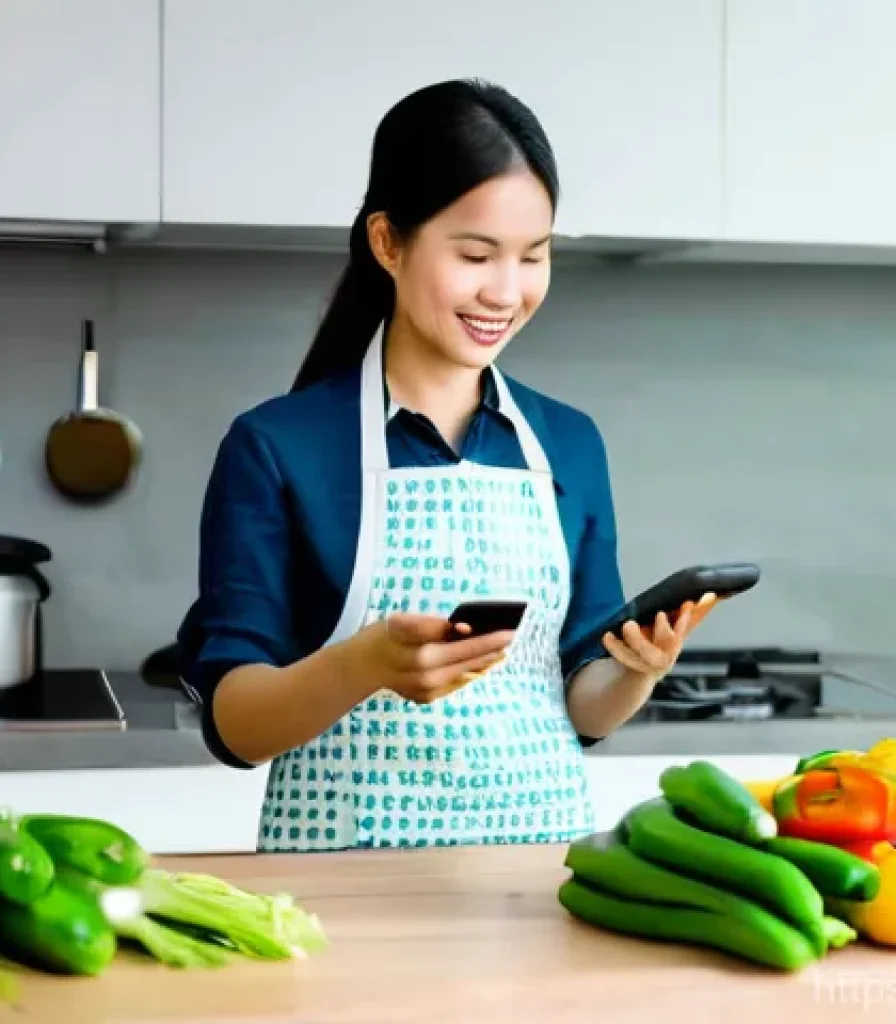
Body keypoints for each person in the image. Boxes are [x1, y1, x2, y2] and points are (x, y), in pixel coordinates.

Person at [176, 79, 717, 853]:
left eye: (534, 256)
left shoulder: (569, 442)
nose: (506, 291)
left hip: (542, 881)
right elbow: (235, 726)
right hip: (348, 894)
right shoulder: (276, 447)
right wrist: (363, 665)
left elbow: (579, 705)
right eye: (474, 255)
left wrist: (637, 670)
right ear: (389, 243)